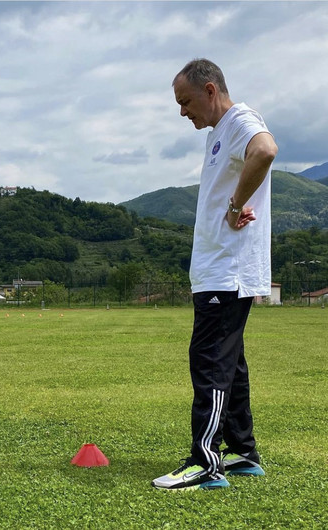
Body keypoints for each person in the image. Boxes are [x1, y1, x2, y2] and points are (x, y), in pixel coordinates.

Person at [152, 59, 278, 490]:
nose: (182, 112)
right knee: (230, 364)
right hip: (217, 272)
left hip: (227, 274)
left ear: (210, 90)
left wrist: (233, 205)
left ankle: (205, 462)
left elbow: (265, 150)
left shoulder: (241, 120)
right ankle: (242, 452)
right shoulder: (218, 137)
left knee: (209, 363)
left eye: (185, 102)